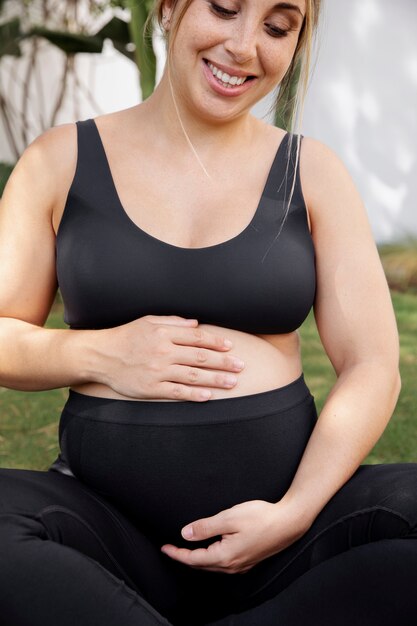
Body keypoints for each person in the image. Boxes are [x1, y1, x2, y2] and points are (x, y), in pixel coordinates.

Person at [0, 0, 417, 624]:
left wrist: (294, 512)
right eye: (225, 8)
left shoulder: (313, 173)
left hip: (286, 539)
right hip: (105, 536)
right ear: (170, 8)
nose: (246, 46)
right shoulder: (60, 162)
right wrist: (97, 353)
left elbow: (373, 365)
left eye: (278, 28)